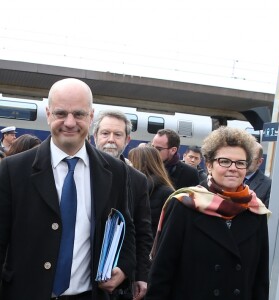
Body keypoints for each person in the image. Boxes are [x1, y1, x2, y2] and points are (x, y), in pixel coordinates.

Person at [0, 78, 135, 300]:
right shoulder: (13, 170)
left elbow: (125, 226)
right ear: (48, 114)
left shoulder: (115, 171)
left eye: (79, 114)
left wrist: (124, 267)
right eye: (61, 113)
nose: (70, 122)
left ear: (91, 117)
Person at [146, 126, 271, 300]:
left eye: (240, 163)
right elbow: (161, 272)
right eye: (225, 161)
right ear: (209, 164)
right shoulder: (185, 204)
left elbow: (260, 279)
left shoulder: (256, 210)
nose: (233, 168)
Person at [93, 110, 153, 300]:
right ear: (94, 136)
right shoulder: (78, 170)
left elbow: (143, 230)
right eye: (105, 133)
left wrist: (139, 275)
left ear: (127, 140)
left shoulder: (137, 179)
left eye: (117, 134)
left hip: (117, 280)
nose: (110, 139)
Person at [128, 146, 175, 238]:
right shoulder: (132, 188)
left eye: (131, 162)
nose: (129, 166)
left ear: (143, 164)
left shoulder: (166, 193)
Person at [244, 142, 272, 208]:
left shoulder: (269, 185)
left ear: (259, 162)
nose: (244, 162)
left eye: (250, 159)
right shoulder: (228, 177)